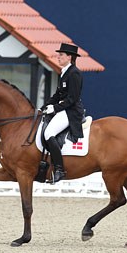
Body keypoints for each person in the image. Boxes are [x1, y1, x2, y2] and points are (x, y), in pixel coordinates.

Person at [41, 43, 84, 183]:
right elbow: (57, 95)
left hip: (71, 112)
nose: (58, 57)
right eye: (58, 55)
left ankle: (59, 169)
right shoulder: (64, 72)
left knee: (49, 133)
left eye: (61, 55)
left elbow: (72, 98)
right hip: (63, 109)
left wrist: (54, 108)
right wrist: (44, 106)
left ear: (69, 57)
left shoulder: (74, 73)